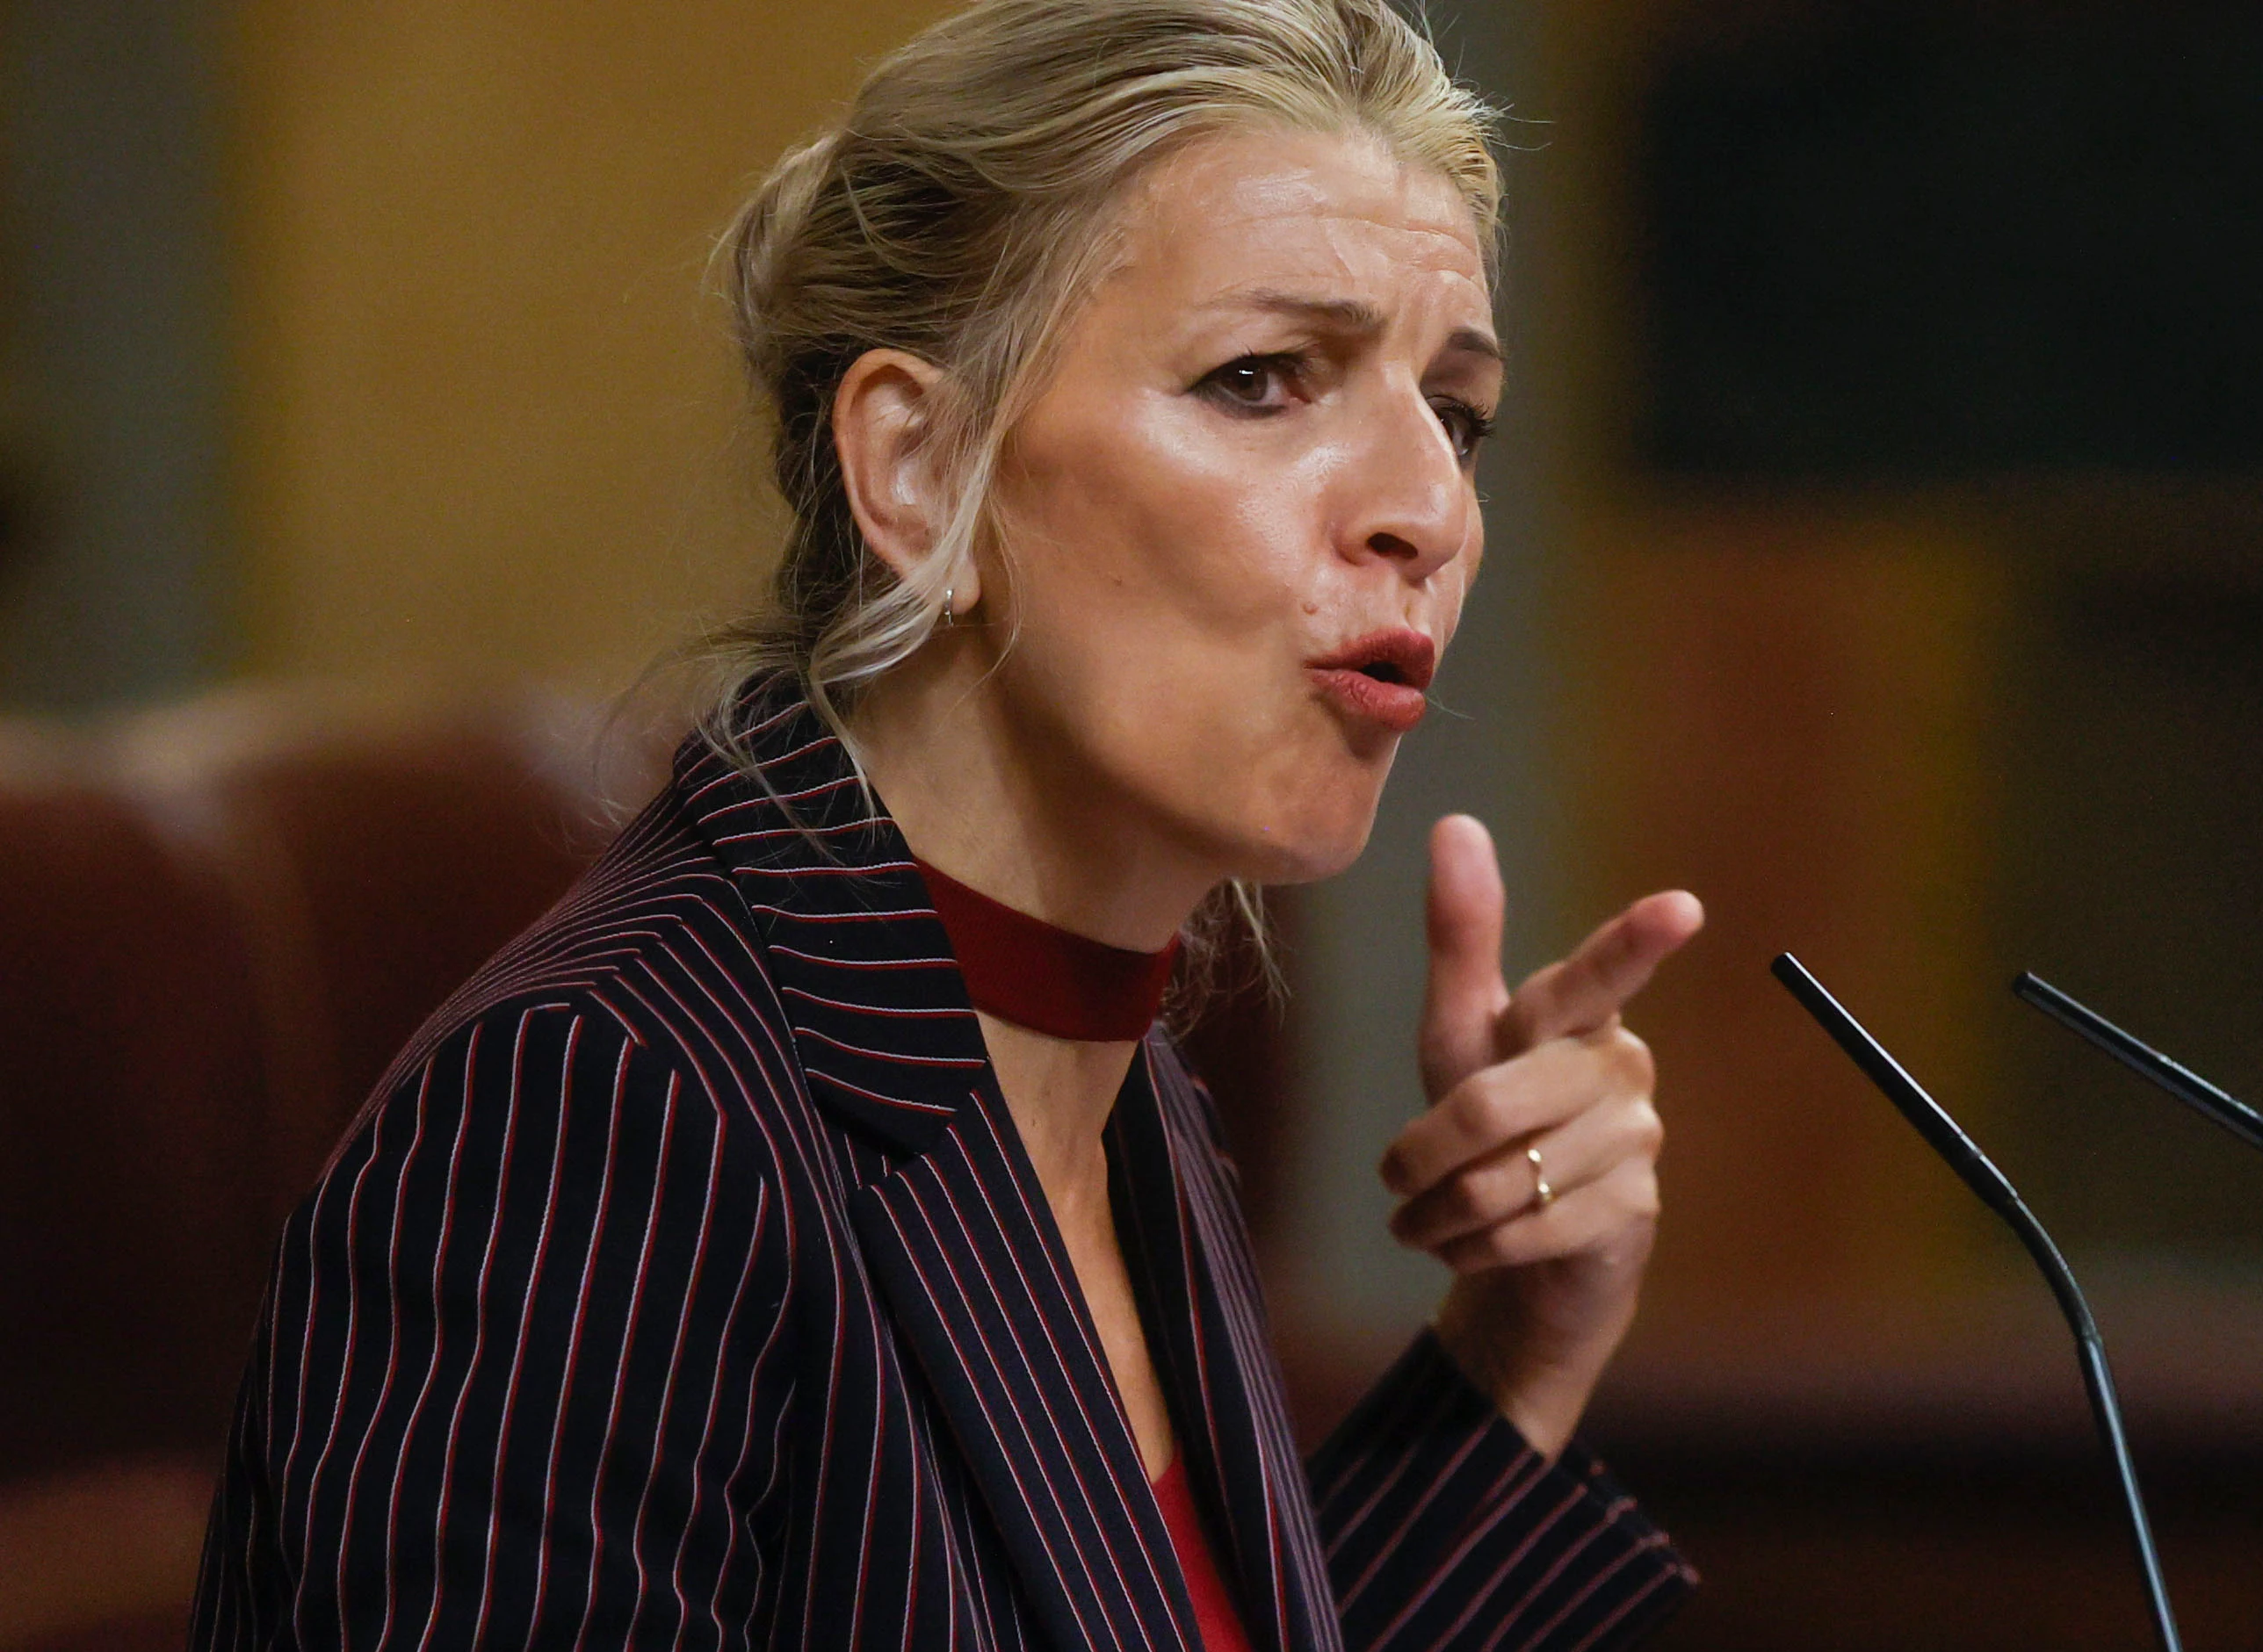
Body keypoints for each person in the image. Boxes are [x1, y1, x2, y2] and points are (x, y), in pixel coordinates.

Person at [188, 2, 1707, 1648]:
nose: (1426, 508)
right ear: (918, 472)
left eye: (1458, 415)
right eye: (1263, 380)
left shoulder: (1118, 1088)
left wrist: (1518, 1346)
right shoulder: (598, 1115)